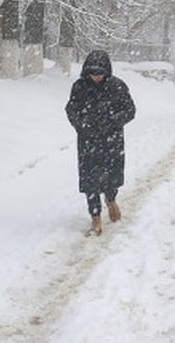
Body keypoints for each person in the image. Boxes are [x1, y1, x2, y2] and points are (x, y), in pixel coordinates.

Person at [66, 49, 136, 236]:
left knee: (111, 177)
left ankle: (111, 199)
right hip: (88, 142)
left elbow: (130, 110)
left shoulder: (118, 87)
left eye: (100, 73)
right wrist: (82, 125)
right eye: (92, 73)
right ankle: (95, 217)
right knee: (90, 181)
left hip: (112, 142)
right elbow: (71, 110)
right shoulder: (79, 87)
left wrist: (112, 122)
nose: (96, 77)